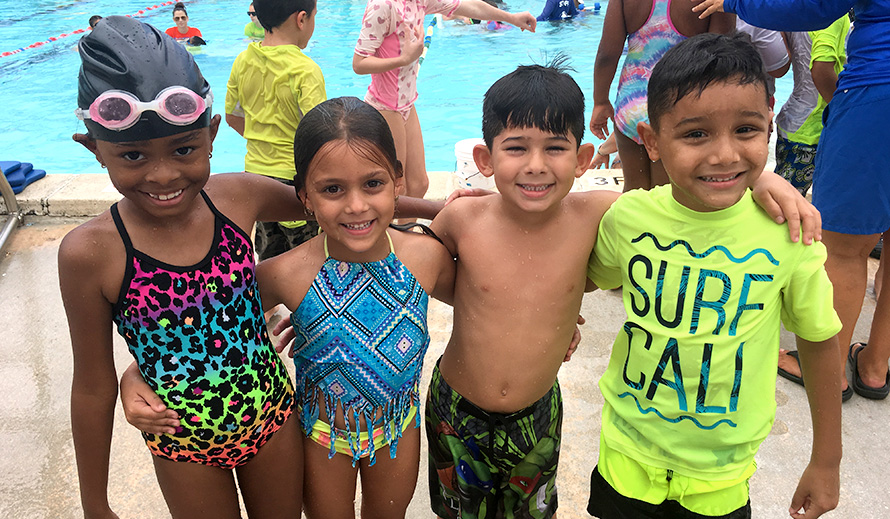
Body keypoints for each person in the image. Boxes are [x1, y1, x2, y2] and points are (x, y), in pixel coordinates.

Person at [424, 58, 817, 519]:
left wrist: (766, 178)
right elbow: (440, 275)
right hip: (457, 409)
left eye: (555, 148)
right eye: (515, 149)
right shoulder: (461, 220)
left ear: (584, 159)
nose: (535, 166)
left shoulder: (600, 213)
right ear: (486, 161)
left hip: (537, 414)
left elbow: (683, 202)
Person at [585, 33, 842, 519]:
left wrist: (826, 460)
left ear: (770, 125)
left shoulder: (789, 233)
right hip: (625, 455)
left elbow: (819, 340)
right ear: (652, 143)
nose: (724, 155)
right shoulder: (629, 218)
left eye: (745, 129)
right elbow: (582, 276)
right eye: (696, 134)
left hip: (720, 476)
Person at [62, 16, 305, 518]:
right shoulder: (91, 253)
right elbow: (91, 383)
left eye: (185, 149)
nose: (164, 174)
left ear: (212, 132)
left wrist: (442, 211)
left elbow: (336, 202)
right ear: (94, 150)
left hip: (271, 416)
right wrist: (94, 505)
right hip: (183, 442)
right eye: (131, 155)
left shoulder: (238, 195)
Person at [262, 96, 455, 518]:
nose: (355, 206)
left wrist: (551, 319)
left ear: (397, 182)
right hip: (319, 433)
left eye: (373, 183)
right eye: (332, 189)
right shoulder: (285, 273)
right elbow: (210, 325)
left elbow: (484, 306)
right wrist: (136, 374)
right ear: (305, 197)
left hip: (398, 427)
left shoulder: (426, 257)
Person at [692, 0, 890, 402]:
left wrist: (736, 2)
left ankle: (830, 370)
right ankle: (876, 365)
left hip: (879, 86)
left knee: (845, 248)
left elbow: (813, 7)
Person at [352, 0, 537, 201]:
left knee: (419, 184)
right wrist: (403, 60)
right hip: (384, 107)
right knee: (396, 188)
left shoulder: (419, 1)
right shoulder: (382, 6)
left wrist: (511, 17)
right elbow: (359, 63)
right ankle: (391, 232)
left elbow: (469, 6)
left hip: (406, 104)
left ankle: (406, 230)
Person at [590, 0, 734, 191]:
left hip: (630, 104)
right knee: (667, 194)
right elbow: (720, 57)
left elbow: (607, 54)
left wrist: (600, 101)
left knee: (633, 190)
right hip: (678, 109)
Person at [226, 0, 325, 261]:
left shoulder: (243, 60)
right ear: (301, 19)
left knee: (268, 262)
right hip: (295, 184)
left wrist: (264, 140)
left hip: (256, 181)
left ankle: (267, 304)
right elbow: (321, 135)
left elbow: (232, 117)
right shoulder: (305, 70)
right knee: (306, 264)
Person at [773, 17, 850, 197]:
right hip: (813, 128)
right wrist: (843, 114)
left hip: (792, 120)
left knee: (780, 199)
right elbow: (821, 69)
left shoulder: (801, 9)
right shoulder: (832, 12)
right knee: (783, 205)